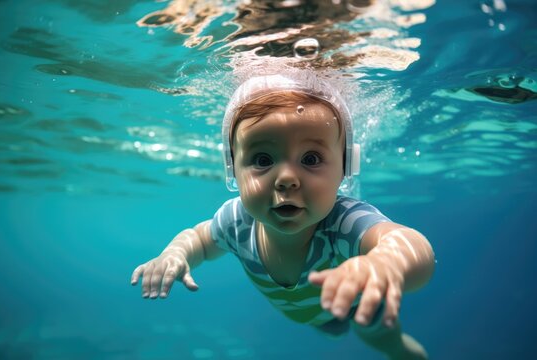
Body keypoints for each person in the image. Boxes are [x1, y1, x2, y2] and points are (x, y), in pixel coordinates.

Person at [131, 72, 435, 359]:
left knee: (377, 335)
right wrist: (175, 253)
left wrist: (385, 264)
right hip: (316, 313)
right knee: (330, 329)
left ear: (345, 168)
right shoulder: (237, 222)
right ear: (232, 168)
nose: (287, 178)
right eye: (262, 159)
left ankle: (401, 351)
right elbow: (198, 238)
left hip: (358, 299)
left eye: (311, 159)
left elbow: (407, 242)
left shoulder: (344, 223)